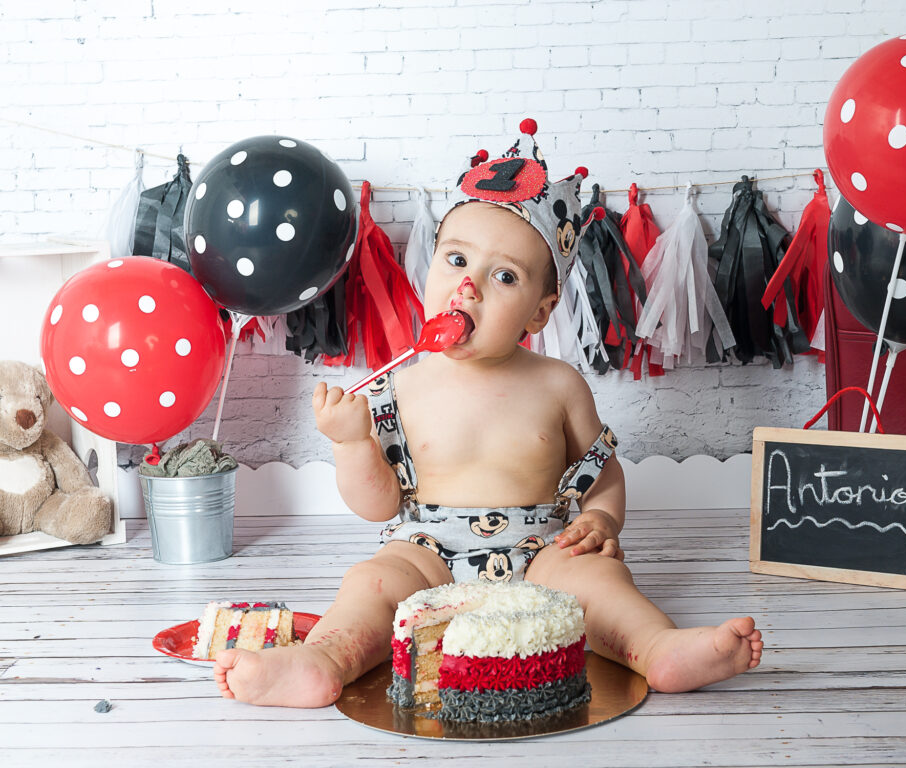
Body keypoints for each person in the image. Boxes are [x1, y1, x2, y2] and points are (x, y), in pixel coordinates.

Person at [213, 120, 763, 707]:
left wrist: (600, 522)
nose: (468, 287)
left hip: (541, 549)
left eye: (504, 276)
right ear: (429, 268)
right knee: (369, 584)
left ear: (540, 312)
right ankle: (322, 661)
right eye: (455, 260)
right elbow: (379, 506)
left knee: (601, 582)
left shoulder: (559, 385)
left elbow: (602, 476)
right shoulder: (399, 387)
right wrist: (352, 446)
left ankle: (658, 649)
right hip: (424, 548)